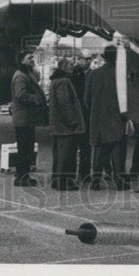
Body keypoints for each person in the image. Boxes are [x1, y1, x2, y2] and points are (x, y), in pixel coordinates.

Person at [84, 44, 127, 190]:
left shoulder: (93, 74)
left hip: (98, 117)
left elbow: (86, 99)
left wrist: (95, 110)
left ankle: (95, 181)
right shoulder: (121, 74)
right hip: (116, 117)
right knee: (117, 149)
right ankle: (119, 181)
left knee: (99, 149)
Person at [9, 50, 47, 187]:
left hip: (26, 118)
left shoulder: (26, 74)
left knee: (26, 149)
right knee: (25, 149)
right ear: (22, 60)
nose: (32, 59)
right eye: (29, 57)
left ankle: (23, 176)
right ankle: (22, 177)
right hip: (23, 118)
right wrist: (36, 99)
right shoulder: (20, 76)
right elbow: (21, 95)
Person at [48, 57, 84, 190]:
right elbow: (65, 104)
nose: (72, 66)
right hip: (65, 126)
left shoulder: (55, 81)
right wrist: (72, 120)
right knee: (66, 154)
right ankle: (64, 182)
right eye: (70, 64)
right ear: (63, 67)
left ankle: (56, 180)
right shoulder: (64, 81)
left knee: (58, 154)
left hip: (58, 125)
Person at [70, 56, 92, 184]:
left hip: (85, 115)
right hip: (78, 114)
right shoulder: (74, 74)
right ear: (79, 59)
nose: (88, 61)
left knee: (84, 146)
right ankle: (79, 174)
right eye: (85, 59)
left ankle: (84, 173)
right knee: (77, 146)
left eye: (89, 59)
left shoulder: (91, 74)